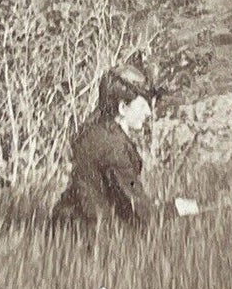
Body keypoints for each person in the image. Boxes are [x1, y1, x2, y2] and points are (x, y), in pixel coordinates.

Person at [50, 63, 155, 232]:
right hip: (96, 235)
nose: (148, 112)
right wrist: (178, 209)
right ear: (122, 108)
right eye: (142, 106)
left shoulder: (92, 130)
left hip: (68, 225)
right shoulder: (114, 148)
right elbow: (139, 210)